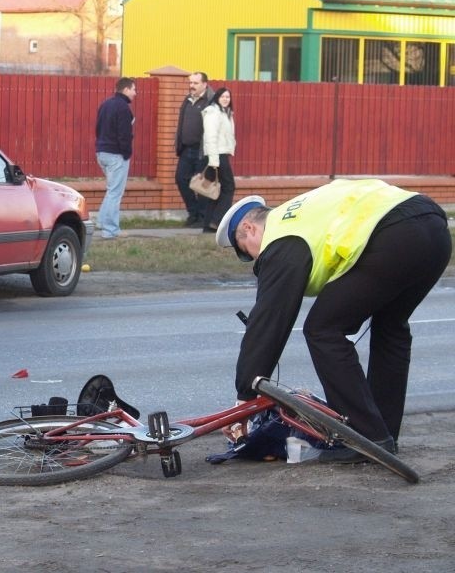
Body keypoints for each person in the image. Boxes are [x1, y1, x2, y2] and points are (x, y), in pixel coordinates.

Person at [215, 179, 452, 463]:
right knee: (391, 328)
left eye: (244, 251)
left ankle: (364, 437)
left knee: (322, 329)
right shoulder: (299, 215)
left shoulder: (281, 238)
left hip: (394, 233)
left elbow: (269, 321)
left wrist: (246, 396)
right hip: (434, 228)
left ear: (249, 228)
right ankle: (383, 437)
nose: (253, 260)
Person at [95, 77, 137, 239]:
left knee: (111, 189)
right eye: (134, 89)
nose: (135, 93)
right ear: (126, 90)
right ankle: (110, 230)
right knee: (115, 192)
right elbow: (124, 135)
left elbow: (98, 128)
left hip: (102, 152)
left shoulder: (106, 104)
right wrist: (126, 153)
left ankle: (102, 222)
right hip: (116, 155)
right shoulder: (123, 108)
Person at [174, 71, 215, 227]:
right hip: (186, 149)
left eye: (195, 83)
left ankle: (202, 217)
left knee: (202, 184)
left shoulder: (211, 101)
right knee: (181, 178)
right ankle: (193, 213)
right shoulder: (188, 99)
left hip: (202, 150)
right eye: (190, 83)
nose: (191, 86)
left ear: (204, 84)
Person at [201, 87, 236, 233]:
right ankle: (217, 220)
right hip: (216, 156)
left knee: (215, 191)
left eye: (228, 97)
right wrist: (214, 161)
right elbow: (210, 137)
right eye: (223, 97)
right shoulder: (213, 112)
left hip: (220, 155)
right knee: (229, 187)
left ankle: (209, 225)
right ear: (217, 97)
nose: (226, 99)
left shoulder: (225, 113)